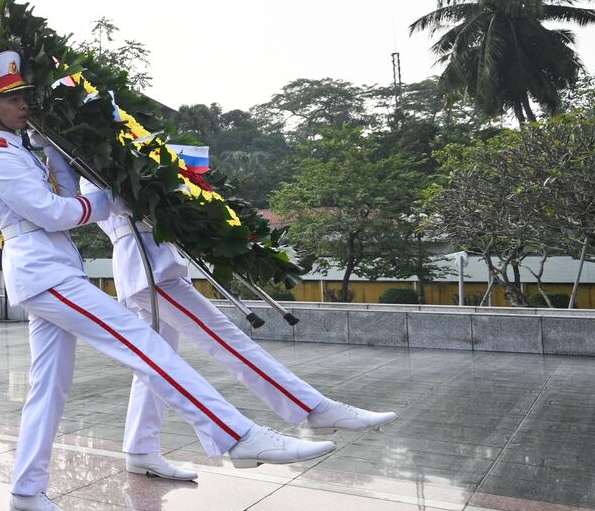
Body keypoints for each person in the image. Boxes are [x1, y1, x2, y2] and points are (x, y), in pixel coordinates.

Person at [0, 51, 333, 511]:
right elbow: (54, 214)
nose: (23, 106)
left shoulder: (24, 149)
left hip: (52, 270)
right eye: (12, 100)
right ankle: (235, 435)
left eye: (24, 97)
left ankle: (26, 492)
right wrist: (114, 198)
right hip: (44, 273)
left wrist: (58, 149)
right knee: (145, 346)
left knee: (48, 389)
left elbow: (67, 192)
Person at [98, 200, 398, 480]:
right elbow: (107, 203)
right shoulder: (90, 167)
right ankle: (314, 408)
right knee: (226, 340)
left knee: (155, 367)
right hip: (147, 268)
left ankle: (140, 449)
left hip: (157, 263)